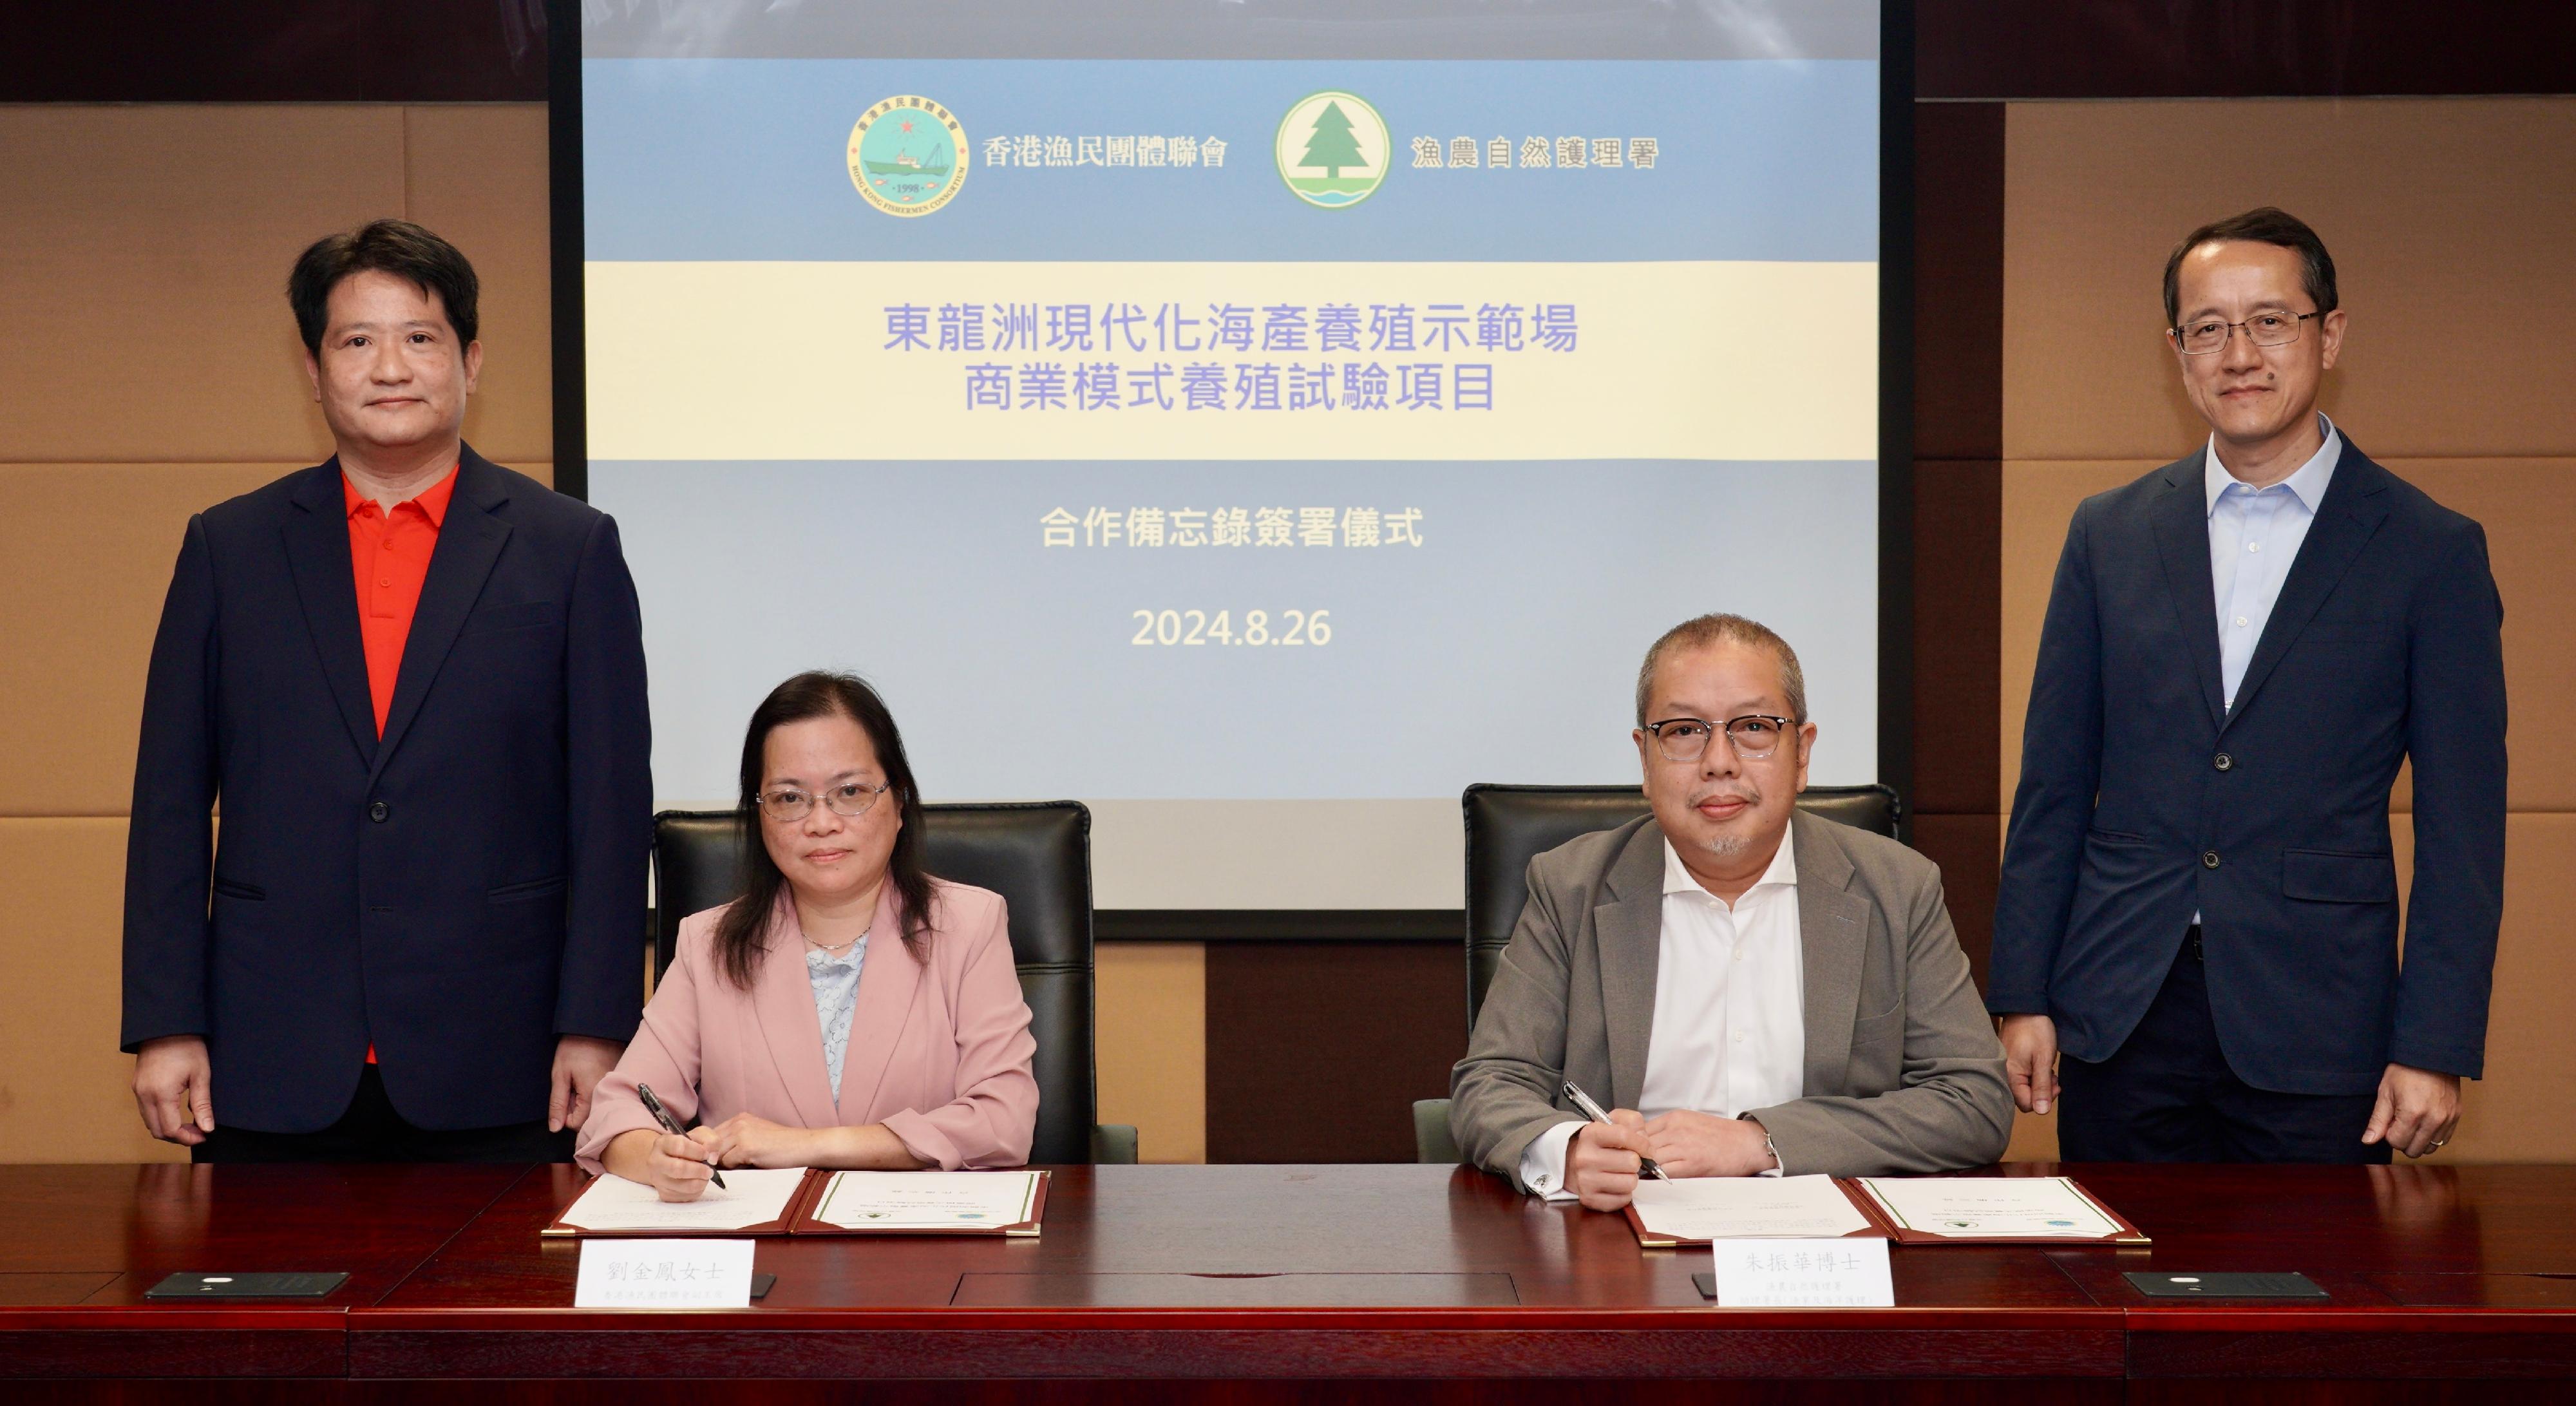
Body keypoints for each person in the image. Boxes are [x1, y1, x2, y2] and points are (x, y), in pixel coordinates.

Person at [122, 219, 652, 1161]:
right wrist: (166, 1020)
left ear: (471, 360)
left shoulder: (569, 549)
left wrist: (598, 1020)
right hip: (271, 1051)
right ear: (314, 368)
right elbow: (169, 802)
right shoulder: (229, 548)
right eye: (357, 340)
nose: (390, 366)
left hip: (502, 1051)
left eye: (421, 337)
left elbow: (610, 808)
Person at [1990, 207, 2506, 1163]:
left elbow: (2463, 824)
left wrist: (2434, 1044)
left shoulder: (2430, 550)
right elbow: (2053, 783)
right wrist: (2023, 989)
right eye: (2209, 328)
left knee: (2309, 1302)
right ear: (2178, 351)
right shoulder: (2108, 534)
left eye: (2271, 321)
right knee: (2116, 1297)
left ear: (2330, 334)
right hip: (2119, 1007)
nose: (2241, 353)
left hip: (2318, 1021)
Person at [1450, 614, 2012, 1210]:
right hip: (1622, 1244)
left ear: (1802, 753)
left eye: (1753, 727)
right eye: (1685, 730)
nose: (1719, 761)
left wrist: (1760, 1141)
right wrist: (1567, 1148)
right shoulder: (1571, 888)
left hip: (1830, 1245)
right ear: (1645, 758)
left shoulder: (1897, 888)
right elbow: (1490, 1085)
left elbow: (1973, 1100)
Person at [577, 672, 1037, 1197]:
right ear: (760, 814)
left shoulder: (969, 925)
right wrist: (657, 1158)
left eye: (850, 792)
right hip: (763, 1252)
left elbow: (1004, 1123)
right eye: (790, 798)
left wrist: (806, 1144)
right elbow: (616, 1113)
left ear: (900, 800)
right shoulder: (707, 943)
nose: (821, 822)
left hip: (920, 1249)